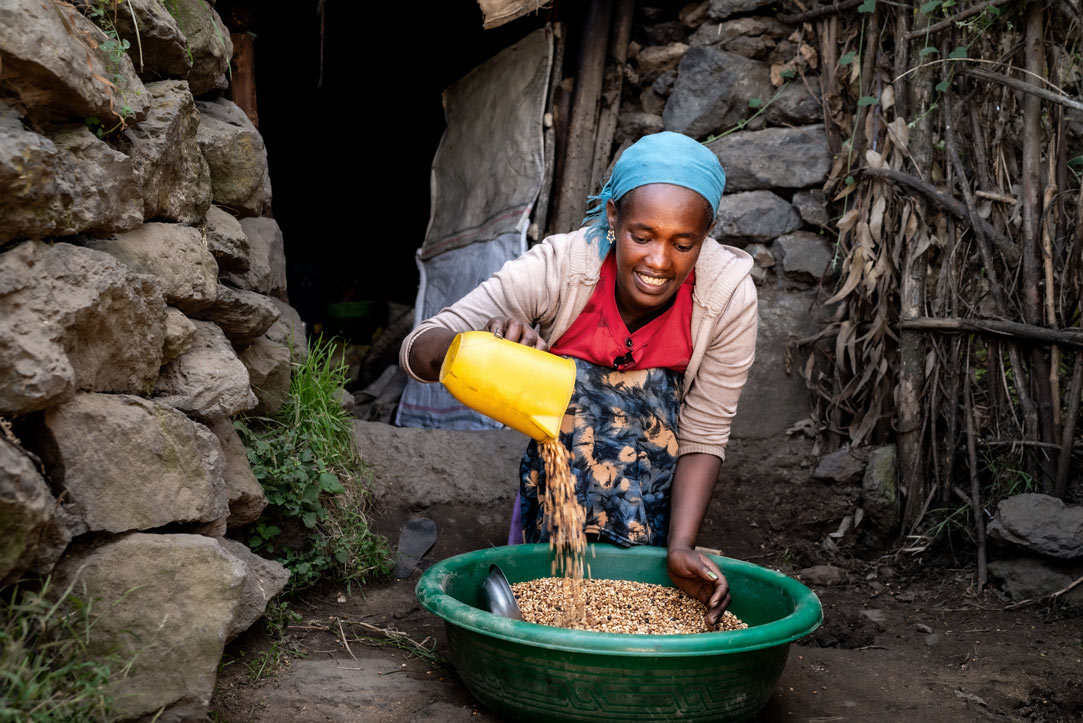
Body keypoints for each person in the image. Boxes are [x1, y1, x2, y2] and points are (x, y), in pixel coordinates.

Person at [399, 131, 757, 626]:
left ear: (707, 233)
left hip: (651, 494)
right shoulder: (562, 266)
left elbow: (706, 432)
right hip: (558, 480)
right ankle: (544, 558)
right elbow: (418, 349)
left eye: (683, 243)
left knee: (645, 394)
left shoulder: (727, 294)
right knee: (579, 387)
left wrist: (681, 546)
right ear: (613, 217)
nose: (658, 261)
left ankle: (644, 562)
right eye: (642, 235)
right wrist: (481, 341)